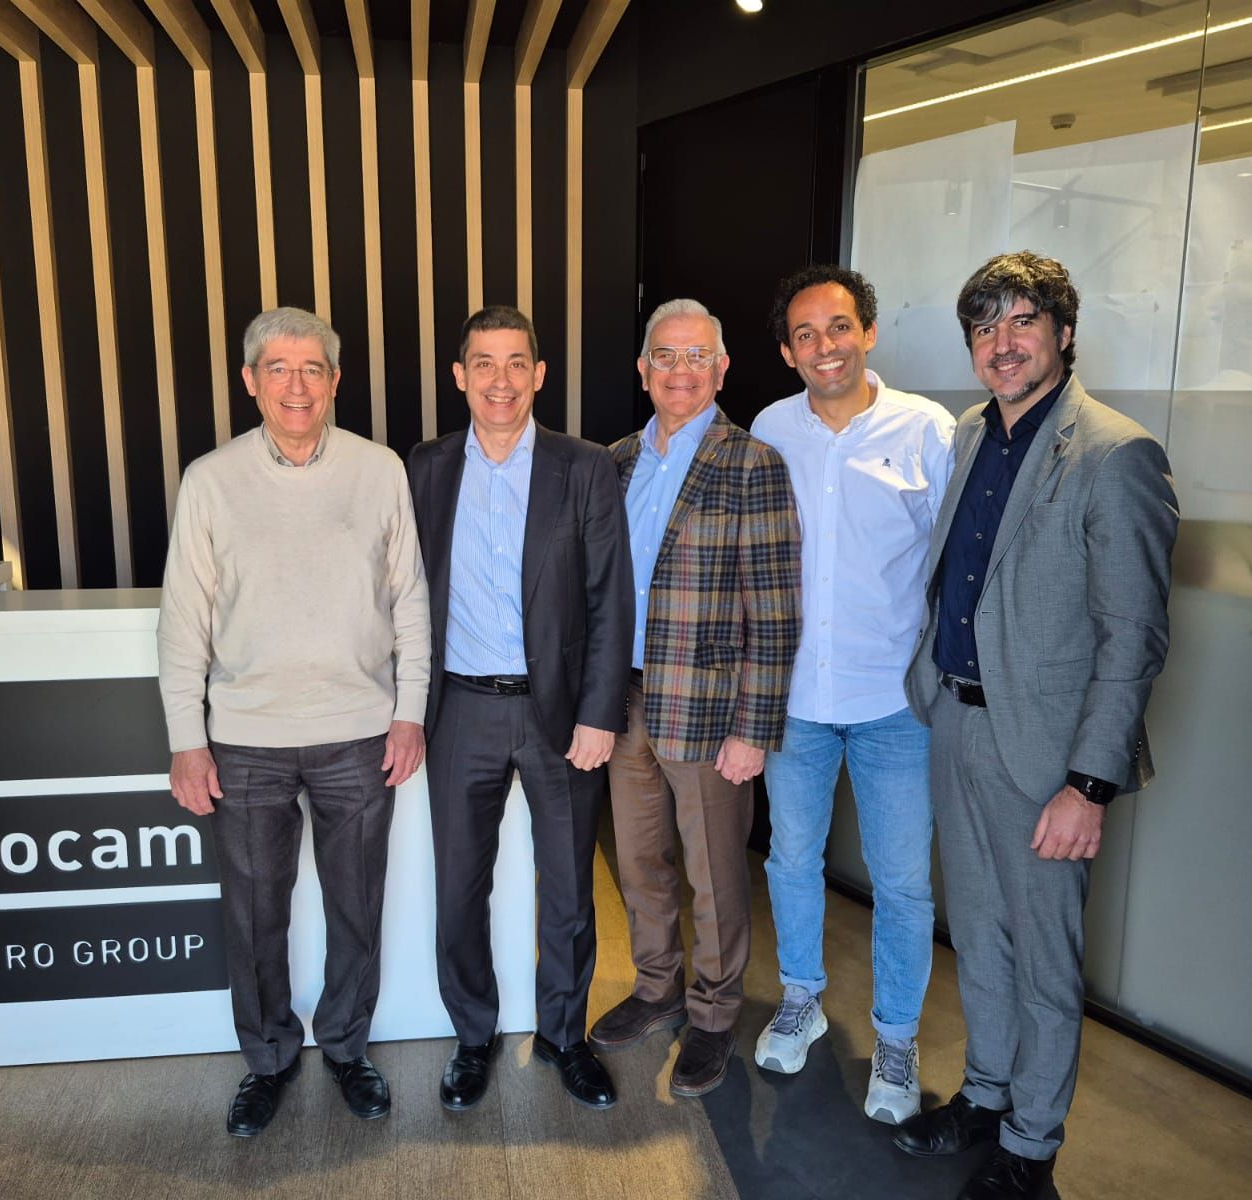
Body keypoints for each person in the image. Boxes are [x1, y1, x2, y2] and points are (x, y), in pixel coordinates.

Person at [894, 254, 1179, 1199]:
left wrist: (1089, 784)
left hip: (1049, 757)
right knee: (978, 935)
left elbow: (1133, 637)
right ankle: (985, 1095)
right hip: (957, 721)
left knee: (1045, 960)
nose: (1002, 343)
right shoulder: (974, 433)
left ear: (1063, 331)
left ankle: (1030, 1148)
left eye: (1023, 321)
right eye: (985, 327)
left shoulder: (1115, 453)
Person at [157, 306, 431, 1139]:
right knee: (253, 916)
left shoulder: (379, 470)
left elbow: (410, 600)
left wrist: (409, 712)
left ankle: (346, 1046)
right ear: (250, 381)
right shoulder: (210, 480)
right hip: (245, 741)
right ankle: (269, 1059)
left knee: (356, 907)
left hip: (359, 732)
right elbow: (183, 620)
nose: (297, 385)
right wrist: (187, 738)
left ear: (335, 380)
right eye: (278, 368)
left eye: (312, 368)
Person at [407, 306, 632, 1112]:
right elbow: (402, 593)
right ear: (459, 375)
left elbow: (610, 598)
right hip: (459, 711)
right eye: (483, 363)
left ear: (538, 375)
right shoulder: (426, 467)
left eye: (515, 364)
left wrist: (600, 714)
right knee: (459, 889)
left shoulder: (585, 467)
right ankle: (473, 1037)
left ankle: (565, 1037)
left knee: (569, 890)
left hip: (559, 715)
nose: (499, 381)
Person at [750, 265, 955, 1123]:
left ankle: (896, 1041)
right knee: (791, 859)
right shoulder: (770, 429)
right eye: (805, 335)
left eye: (839, 327)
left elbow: (956, 564)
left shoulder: (928, 429)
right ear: (787, 352)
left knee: (903, 883)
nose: (824, 346)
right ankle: (800, 998)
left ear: (868, 332)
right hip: (795, 697)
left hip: (893, 703)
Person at [589, 298, 801, 1097]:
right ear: (643, 370)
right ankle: (658, 988)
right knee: (639, 861)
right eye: (666, 357)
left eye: (697, 356)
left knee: (714, 875)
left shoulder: (752, 462)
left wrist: (755, 728)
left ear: (722, 369)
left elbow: (775, 609)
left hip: (710, 711)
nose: (681, 371)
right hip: (625, 702)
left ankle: (714, 1015)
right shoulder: (613, 461)